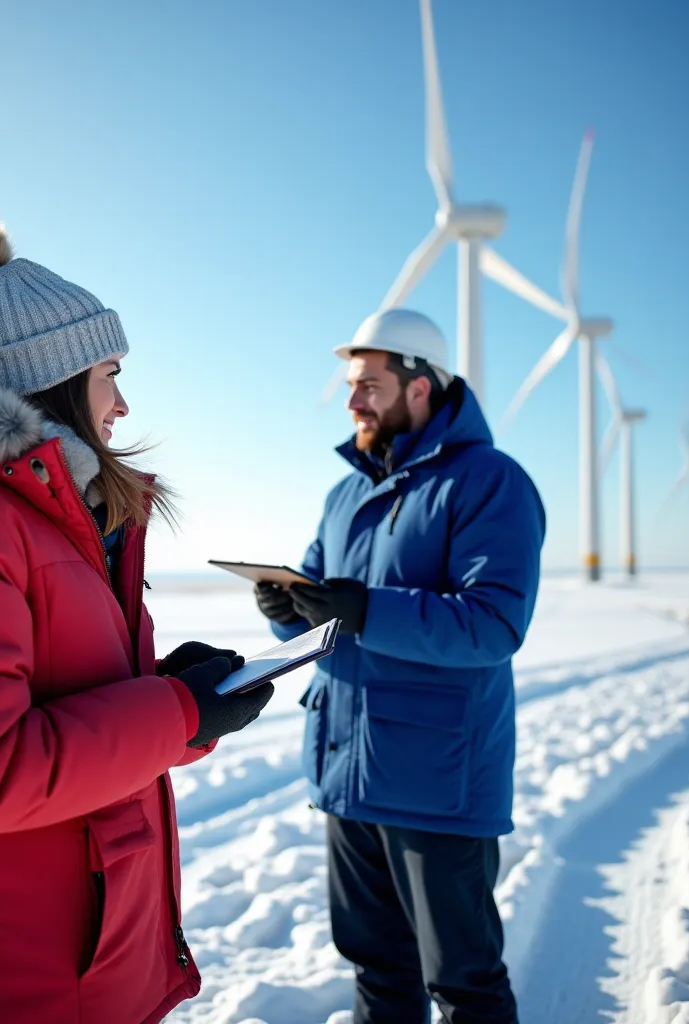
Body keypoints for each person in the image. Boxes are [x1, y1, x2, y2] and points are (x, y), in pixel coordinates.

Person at [0, 221, 274, 1023]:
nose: (125, 400)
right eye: (111, 372)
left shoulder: (57, 519)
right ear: (60, 378)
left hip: (79, 963)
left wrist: (177, 692)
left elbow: (71, 700)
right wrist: (178, 713)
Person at [254, 309, 545, 1024]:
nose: (352, 400)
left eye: (369, 385)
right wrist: (286, 608)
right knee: (378, 973)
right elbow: (330, 616)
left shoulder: (490, 482)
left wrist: (365, 609)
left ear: (421, 386)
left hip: (438, 787)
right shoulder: (345, 495)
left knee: (464, 984)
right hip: (348, 775)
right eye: (351, 385)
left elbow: (493, 625)